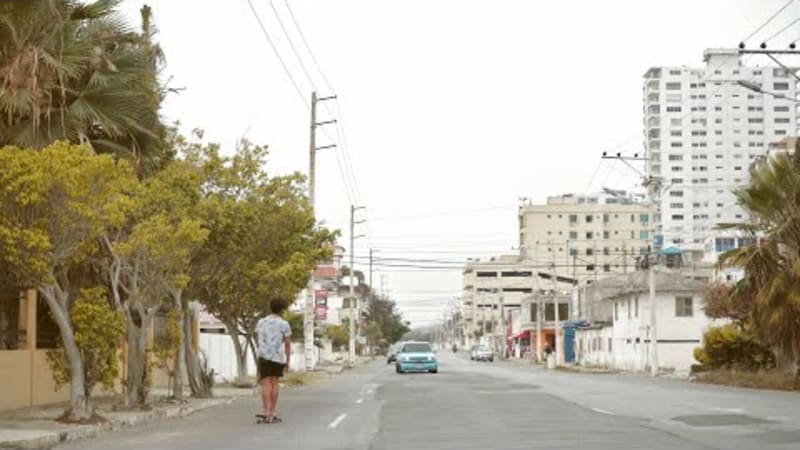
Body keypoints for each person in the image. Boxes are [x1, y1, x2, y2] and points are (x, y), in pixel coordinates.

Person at [255, 296, 292, 424]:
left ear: (270, 307)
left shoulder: (261, 322)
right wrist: (288, 360)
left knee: (265, 384)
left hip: (264, 356)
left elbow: (259, 338)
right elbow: (287, 344)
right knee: (274, 383)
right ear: (282, 310)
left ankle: (266, 412)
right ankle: (272, 411)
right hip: (277, 357)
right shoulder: (284, 324)